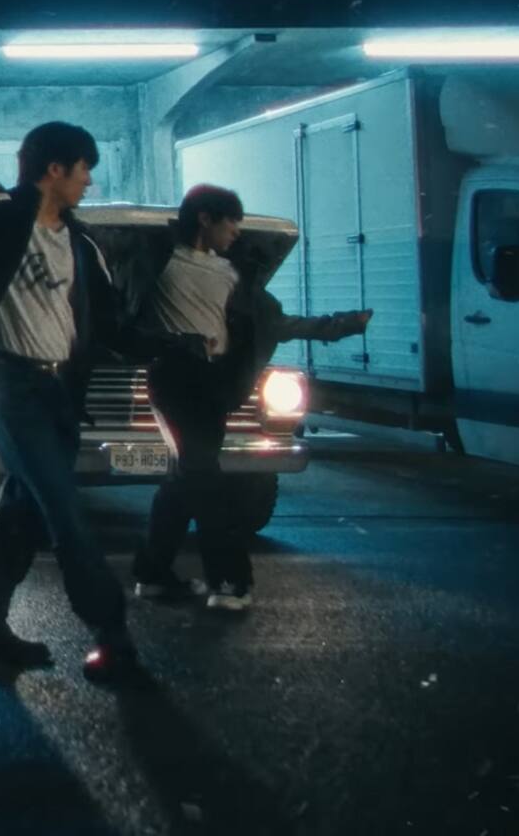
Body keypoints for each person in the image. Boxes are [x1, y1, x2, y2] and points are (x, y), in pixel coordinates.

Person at [0, 42, 182, 685]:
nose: (89, 181)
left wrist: (172, 345)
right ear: (54, 169)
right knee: (62, 510)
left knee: (19, 513)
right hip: (11, 386)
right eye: (84, 170)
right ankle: (111, 636)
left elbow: (110, 327)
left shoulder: (81, 243)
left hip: (59, 396)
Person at [132, 184, 372, 611]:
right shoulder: (156, 263)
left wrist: (343, 325)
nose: (236, 233)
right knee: (205, 479)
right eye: (231, 223)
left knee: (186, 479)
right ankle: (229, 581)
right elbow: (123, 313)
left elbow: (278, 324)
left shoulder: (233, 275)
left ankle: (153, 575)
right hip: (174, 379)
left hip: (213, 383)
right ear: (205, 218)